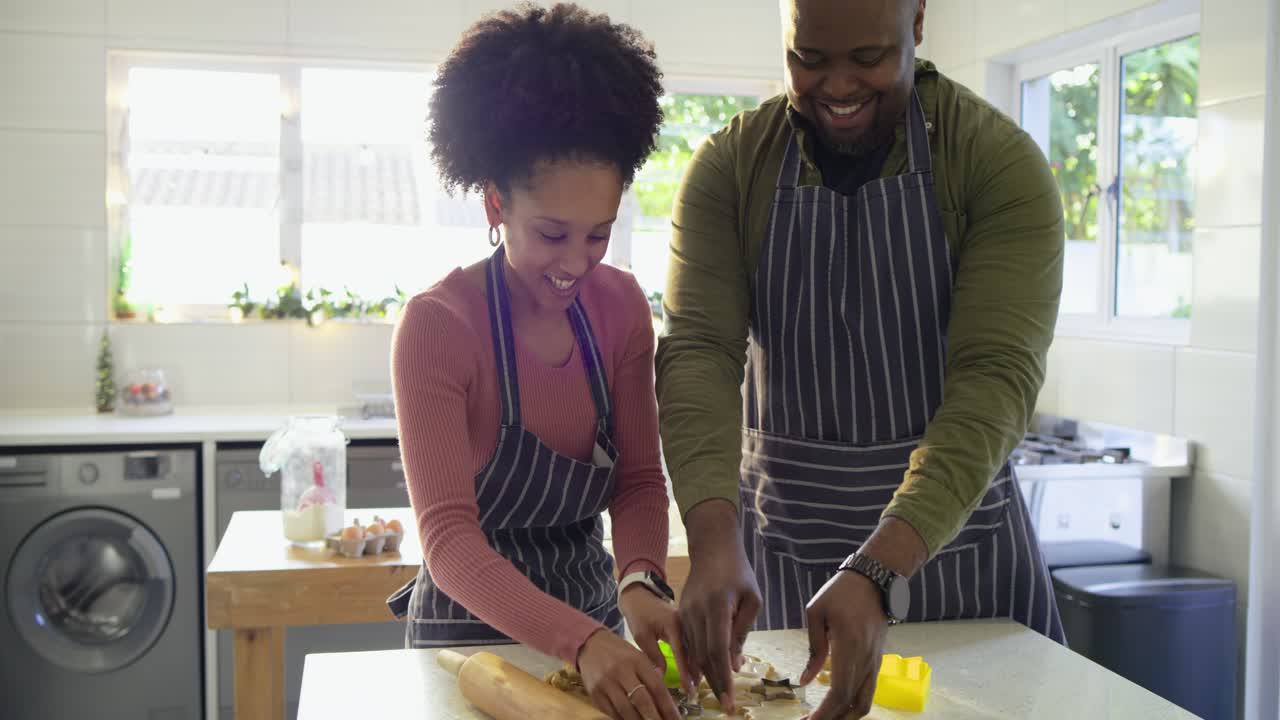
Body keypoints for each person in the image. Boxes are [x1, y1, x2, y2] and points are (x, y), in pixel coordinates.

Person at [655, 1, 1066, 717]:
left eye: (867, 59)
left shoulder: (997, 162)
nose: (837, 86)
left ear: (917, 24)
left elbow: (995, 376)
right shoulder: (729, 168)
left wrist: (881, 568)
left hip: (957, 560)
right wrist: (711, 536)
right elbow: (697, 353)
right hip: (781, 565)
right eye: (807, 60)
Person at [386, 5, 687, 719]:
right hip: (465, 649)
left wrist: (641, 581)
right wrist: (580, 641)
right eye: (551, 233)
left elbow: (641, 481)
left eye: (598, 235)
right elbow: (449, 543)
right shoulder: (439, 326)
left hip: (593, 625)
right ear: (495, 203)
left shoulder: (620, 310)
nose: (576, 263)